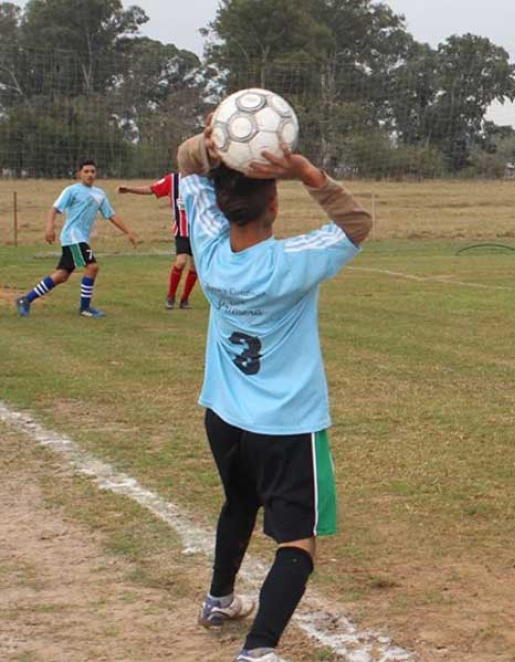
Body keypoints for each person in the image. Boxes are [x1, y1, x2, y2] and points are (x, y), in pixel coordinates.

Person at [177, 122, 372, 662]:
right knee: (297, 541)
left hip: (224, 415)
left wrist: (203, 147)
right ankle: (258, 648)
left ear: (221, 207)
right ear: (275, 205)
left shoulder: (210, 249)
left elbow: (186, 166)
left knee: (239, 503)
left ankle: (219, 600)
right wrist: (310, 173)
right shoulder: (291, 261)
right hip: (287, 426)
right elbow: (357, 223)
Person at [17, 159, 138, 318]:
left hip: (79, 239)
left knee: (62, 275)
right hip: (73, 236)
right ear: (79, 174)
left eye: (92, 171)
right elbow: (54, 209)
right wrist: (49, 227)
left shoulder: (100, 194)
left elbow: (111, 215)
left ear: (96, 174)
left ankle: (25, 299)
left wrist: (128, 231)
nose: (90, 174)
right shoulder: (71, 190)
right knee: (92, 267)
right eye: (86, 171)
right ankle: (85, 308)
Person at [118, 172, 198, 309]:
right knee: (181, 261)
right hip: (182, 230)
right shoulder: (172, 180)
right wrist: (130, 189)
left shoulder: (202, 179)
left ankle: (184, 299)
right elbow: (151, 189)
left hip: (199, 231)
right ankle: (171, 296)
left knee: (195, 266)